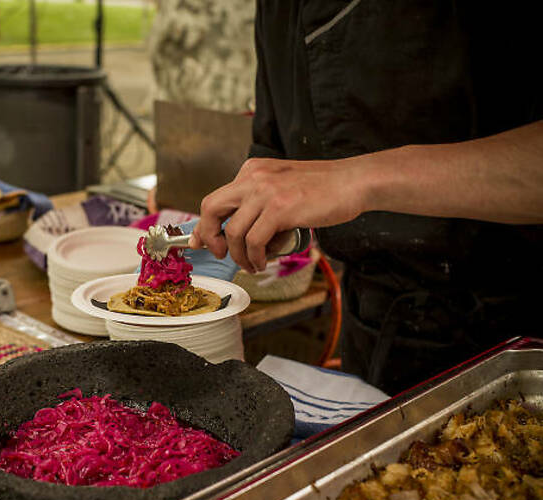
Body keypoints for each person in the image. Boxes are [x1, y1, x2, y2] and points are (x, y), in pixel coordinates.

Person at [189, 1, 543, 395]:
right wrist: (265, 208)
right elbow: (279, 146)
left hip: (519, 344)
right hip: (376, 336)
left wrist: (353, 179)